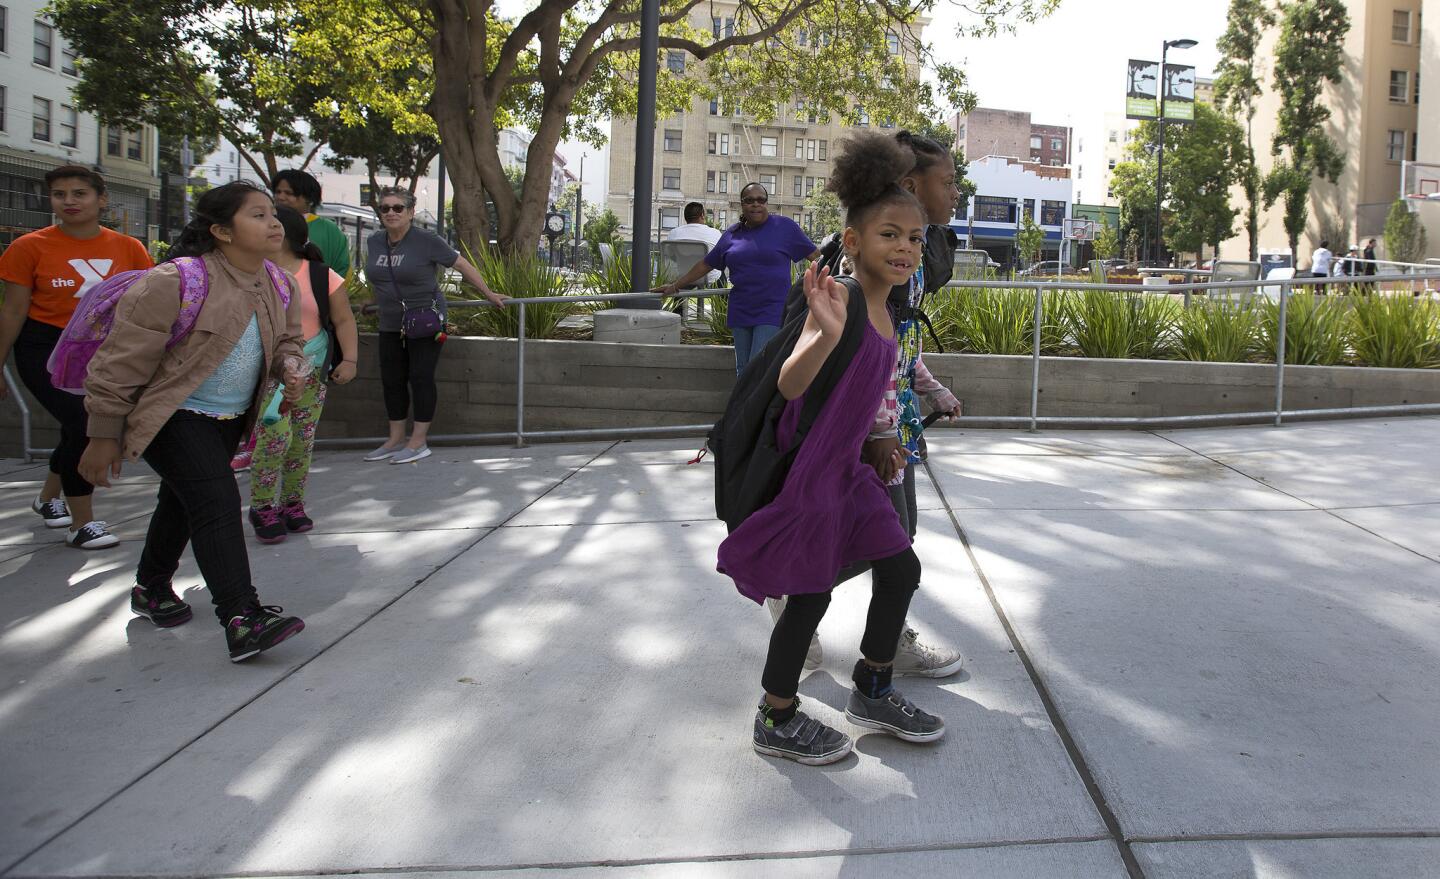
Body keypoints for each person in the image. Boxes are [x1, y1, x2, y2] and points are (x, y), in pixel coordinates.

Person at [718, 132, 945, 765]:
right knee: (811, 593)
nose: (905, 248)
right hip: (816, 475)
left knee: (902, 568)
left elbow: (869, 385)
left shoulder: (888, 305)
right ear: (853, 242)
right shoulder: (839, 298)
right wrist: (822, 332)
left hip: (854, 471)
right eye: (889, 235)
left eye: (914, 237)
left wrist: (879, 438)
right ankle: (776, 716)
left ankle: (871, 686)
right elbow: (792, 383)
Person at [77, 181, 309, 662]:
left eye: (274, 215)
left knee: (183, 502)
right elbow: (119, 362)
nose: (274, 224)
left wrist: (290, 367)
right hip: (171, 415)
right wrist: (102, 434)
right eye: (259, 215)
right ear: (222, 230)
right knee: (217, 499)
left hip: (228, 419)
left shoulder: (279, 283)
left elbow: (288, 339)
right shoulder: (174, 281)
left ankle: (151, 587)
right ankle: (242, 618)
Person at [770, 130, 966, 679]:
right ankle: (798, 610)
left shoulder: (911, 258)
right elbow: (862, 355)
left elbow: (899, 351)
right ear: (910, 184)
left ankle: (878, 645)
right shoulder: (870, 272)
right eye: (947, 182)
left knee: (898, 540)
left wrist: (930, 391)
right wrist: (880, 431)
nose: (955, 194)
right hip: (861, 428)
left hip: (890, 421)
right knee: (888, 540)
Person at [0, 164, 153, 549]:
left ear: (101, 200)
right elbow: (13, 311)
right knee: (85, 424)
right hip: (44, 348)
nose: (69, 201)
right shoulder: (27, 247)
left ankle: (47, 499)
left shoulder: (129, 248)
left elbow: (146, 306)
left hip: (101, 350)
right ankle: (81, 524)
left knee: (75, 428)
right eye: (60, 194)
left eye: (79, 193)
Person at [362, 186, 507, 465]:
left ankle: (418, 442)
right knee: (392, 379)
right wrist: (372, 299)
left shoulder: (426, 240)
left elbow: (461, 264)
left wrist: (488, 293)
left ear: (410, 212)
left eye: (398, 208)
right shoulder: (375, 242)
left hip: (424, 320)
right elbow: (381, 276)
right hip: (391, 321)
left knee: (420, 376)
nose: (391, 213)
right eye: (385, 208)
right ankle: (395, 439)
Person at [246, 207, 359, 543]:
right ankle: (262, 505)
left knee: (301, 440)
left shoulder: (321, 275)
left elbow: (343, 320)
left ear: (283, 232)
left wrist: (349, 359)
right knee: (275, 435)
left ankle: (292, 503)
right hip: (267, 373)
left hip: (311, 370)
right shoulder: (250, 273)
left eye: (267, 221)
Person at [655, 183, 819, 374]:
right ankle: (742, 404)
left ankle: (753, 404)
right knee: (743, 368)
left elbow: (816, 256)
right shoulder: (732, 234)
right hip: (741, 308)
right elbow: (706, 264)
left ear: (767, 203)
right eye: (750, 200)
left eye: (761, 200)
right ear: (742, 204)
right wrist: (675, 286)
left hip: (772, 308)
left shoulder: (785, 227)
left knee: (758, 366)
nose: (756, 204)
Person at [271, 170, 351, 278]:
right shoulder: (267, 225)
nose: (280, 197)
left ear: (309, 198)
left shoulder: (328, 229)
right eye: (277, 192)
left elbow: (341, 268)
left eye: (289, 193)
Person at [665, 202, 723, 287]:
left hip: (684, 278)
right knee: (720, 274)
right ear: (702, 215)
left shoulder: (673, 233)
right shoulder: (715, 233)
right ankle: (722, 300)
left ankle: (680, 300)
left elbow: (671, 256)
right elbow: (720, 257)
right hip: (710, 278)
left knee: (682, 280)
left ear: (685, 217)